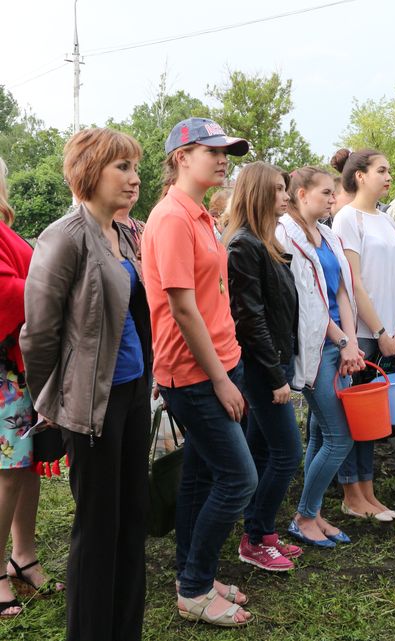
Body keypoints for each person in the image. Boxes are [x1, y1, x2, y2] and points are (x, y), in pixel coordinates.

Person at [21, 128, 151, 639]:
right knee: (98, 527)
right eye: (122, 166)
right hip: (91, 403)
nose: (134, 178)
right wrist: (51, 401)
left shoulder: (123, 233)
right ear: (89, 171)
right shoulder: (65, 235)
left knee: (132, 518)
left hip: (134, 392)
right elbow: (39, 333)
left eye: (135, 167)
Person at [141, 117, 256, 627]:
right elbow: (182, 308)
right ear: (182, 157)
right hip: (194, 373)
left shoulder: (201, 215)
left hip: (219, 362)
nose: (223, 158)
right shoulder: (171, 218)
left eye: (227, 151)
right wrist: (221, 379)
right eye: (213, 150)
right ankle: (194, 588)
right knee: (239, 479)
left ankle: (192, 574)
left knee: (201, 476)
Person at [276, 166, 364, 547]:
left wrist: (351, 342)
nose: (333, 199)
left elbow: (342, 290)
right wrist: (342, 342)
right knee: (340, 437)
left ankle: (312, 511)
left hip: (340, 344)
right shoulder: (285, 236)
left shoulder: (326, 234)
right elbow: (307, 301)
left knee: (320, 433)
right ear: (301, 194)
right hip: (316, 345)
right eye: (326, 192)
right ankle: (304, 516)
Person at [225, 162, 304, 572]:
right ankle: (256, 537)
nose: (285, 195)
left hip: (275, 361)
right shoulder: (244, 245)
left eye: (284, 188)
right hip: (262, 367)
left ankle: (259, 532)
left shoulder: (265, 241)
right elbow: (250, 318)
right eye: (277, 189)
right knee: (288, 453)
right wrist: (275, 376)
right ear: (256, 193)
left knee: (260, 449)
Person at [0, 157, 63, 620]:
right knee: (7, 472)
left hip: (18, 367)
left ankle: (22, 557)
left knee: (25, 466)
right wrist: (53, 282)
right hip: (4, 367)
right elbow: (6, 293)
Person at [331, 149, 395, 521]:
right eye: (381, 170)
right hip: (362, 333)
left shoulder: (387, 218)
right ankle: (352, 495)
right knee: (354, 418)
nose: (388, 176)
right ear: (359, 175)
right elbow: (353, 282)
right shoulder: (347, 218)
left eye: (389, 170)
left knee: (373, 419)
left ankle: (369, 493)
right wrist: (379, 330)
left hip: (390, 333)